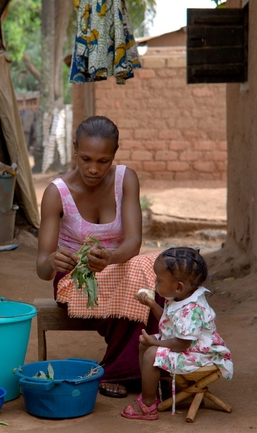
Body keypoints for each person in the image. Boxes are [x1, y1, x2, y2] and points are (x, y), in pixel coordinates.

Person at [36, 115, 163, 398]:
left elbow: (133, 242)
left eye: (103, 161)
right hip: (76, 278)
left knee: (158, 270)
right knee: (127, 284)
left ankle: (149, 364)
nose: (93, 169)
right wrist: (52, 261)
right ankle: (125, 369)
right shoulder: (56, 193)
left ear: (114, 154)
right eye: (86, 159)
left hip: (120, 265)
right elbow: (42, 267)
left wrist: (111, 257)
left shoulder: (125, 179)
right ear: (74, 150)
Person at [122, 247, 234, 420]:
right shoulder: (181, 297)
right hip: (185, 345)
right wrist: (152, 305)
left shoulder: (193, 309)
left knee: (151, 351)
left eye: (158, 280)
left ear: (179, 287)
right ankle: (153, 388)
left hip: (200, 353)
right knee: (144, 344)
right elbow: (169, 321)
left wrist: (155, 343)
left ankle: (148, 404)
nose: (155, 283)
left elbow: (183, 343)